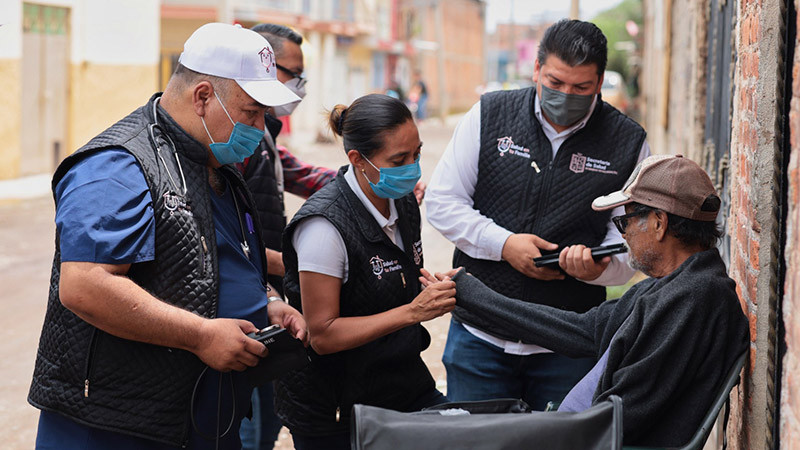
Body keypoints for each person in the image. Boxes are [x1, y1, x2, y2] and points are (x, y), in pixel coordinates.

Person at [28, 23, 308, 450]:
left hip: (200, 416)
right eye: (251, 112)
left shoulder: (214, 163)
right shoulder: (118, 166)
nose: (260, 126)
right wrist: (201, 335)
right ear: (203, 97)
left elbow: (226, 254)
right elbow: (85, 285)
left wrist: (267, 301)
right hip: (116, 426)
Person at [425, 155, 749, 447]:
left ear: (658, 223)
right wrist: (472, 295)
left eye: (624, 221)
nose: (623, 234)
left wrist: (536, 430)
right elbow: (582, 329)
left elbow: (623, 415)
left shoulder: (693, 300)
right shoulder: (671, 286)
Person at [425, 19, 651, 410]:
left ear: (599, 82)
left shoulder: (628, 142)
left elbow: (631, 246)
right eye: (555, 82)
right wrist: (504, 245)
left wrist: (597, 270)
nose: (566, 95)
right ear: (536, 69)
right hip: (480, 336)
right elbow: (442, 202)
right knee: (472, 437)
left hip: (568, 346)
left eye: (581, 88)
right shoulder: (490, 115)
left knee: (561, 438)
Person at [238, 23, 425, 450]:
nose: (299, 86)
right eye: (292, 73)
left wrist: (375, 182)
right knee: (253, 422)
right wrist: (300, 264)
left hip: (391, 385)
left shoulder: (265, 137)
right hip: (261, 304)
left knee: (265, 421)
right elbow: (224, 238)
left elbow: (305, 174)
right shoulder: (242, 142)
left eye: (414, 156)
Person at [273, 94, 456, 450]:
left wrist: (428, 288)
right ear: (358, 159)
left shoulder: (402, 201)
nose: (413, 168)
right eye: (399, 160)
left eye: (417, 154)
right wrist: (413, 312)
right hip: (335, 408)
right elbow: (322, 334)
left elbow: (391, 278)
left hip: (401, 384)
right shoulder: (323, 227)